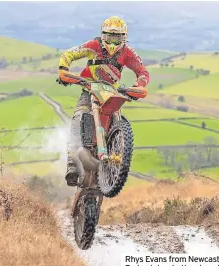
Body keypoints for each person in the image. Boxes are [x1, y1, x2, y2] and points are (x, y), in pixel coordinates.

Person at [58, 16, 150, 186]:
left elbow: (143, 71)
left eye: (118, 37)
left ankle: (117, 155)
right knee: (78, 118)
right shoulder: (94, 45)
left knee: (118, 116)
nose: (113, 42)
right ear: (103, 35)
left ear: (124, 38)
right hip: (89, 90)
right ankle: (71, 164)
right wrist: (64, 70)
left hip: (111, 93)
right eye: (110, 37)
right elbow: (69, 54)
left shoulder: (127, 52)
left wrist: (139, 86)